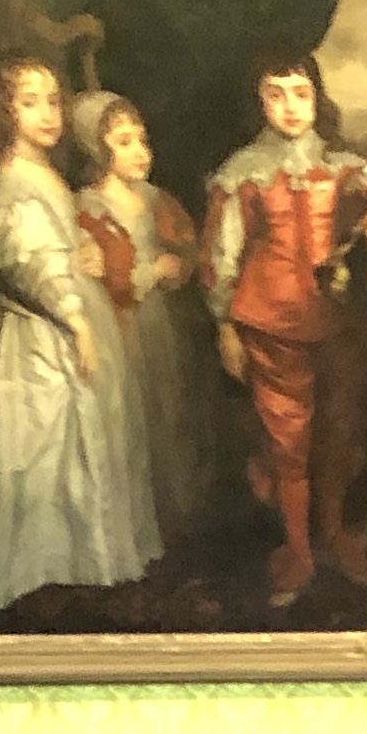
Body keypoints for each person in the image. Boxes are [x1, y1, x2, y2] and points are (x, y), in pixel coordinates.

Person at [199, 47, 367, 607]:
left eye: (300, 93)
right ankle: (297, 550)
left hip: (339, 320)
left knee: (340, 432)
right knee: (288, 442)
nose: (291, 107)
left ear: (317, 98)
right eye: (276, 95)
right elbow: (220, 258)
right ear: (260, 103)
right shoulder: (242, 173)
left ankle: (336, 535)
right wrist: (225, 326)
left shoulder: (342, 165)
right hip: (270, 321)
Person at [0, 46, 159, 612]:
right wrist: (75, 319)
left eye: (53, 102)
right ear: (3, 112)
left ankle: (77, 561)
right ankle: (32, 572)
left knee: (76, 446)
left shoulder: (44, 174)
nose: (47, 114)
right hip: (37, 339)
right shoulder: (13, 180)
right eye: (29, 103)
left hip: (65, 320)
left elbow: (58, 243)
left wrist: (84, 250)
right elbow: (26, 260)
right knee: (37, 446)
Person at [71, 88, 228, 547]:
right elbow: (101, 278)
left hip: (165, 322)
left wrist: (178, 263)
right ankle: (140, 522)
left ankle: (180, 514)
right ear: (96, 148)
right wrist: (151, 270)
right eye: (124, 141)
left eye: (142, 140)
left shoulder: (157, 198)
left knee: (173, 406)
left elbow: (187, 247)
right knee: (133, 414)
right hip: (120, 327)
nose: (140, 151)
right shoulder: (86, 208)